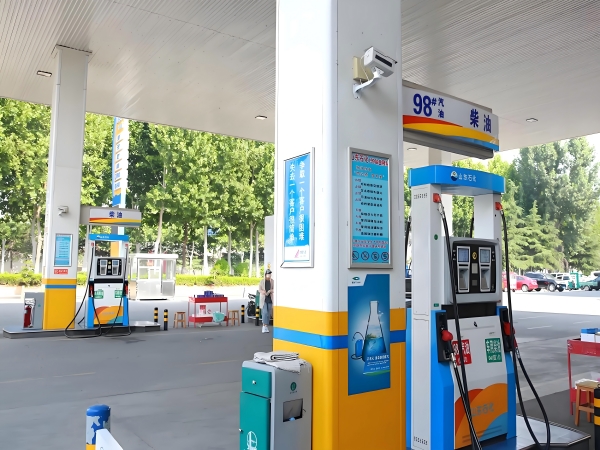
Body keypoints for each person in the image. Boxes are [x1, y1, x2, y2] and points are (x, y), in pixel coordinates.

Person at [258, 269, 274, 333]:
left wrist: (270, 291)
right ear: (265, 275)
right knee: (264, 312)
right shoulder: (262, 281)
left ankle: (266, 326)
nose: (269, 276)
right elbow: (259, 289)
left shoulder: (272, 281)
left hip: (270, 299)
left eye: (270, 274)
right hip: (264, 299)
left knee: (269, 313)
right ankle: (264, 326)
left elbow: (275, 289)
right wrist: (263, 291)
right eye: (268, 274)